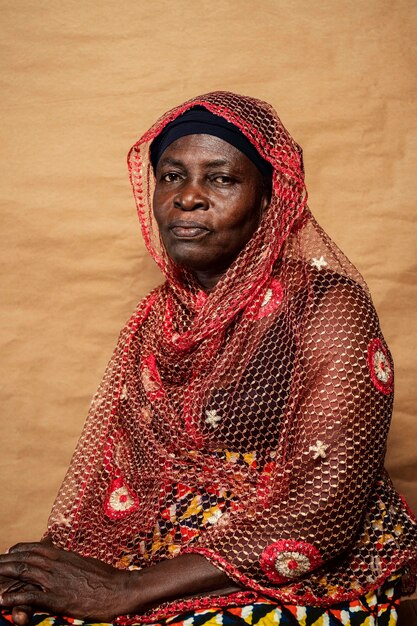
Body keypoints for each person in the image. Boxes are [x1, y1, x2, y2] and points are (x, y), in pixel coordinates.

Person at [0, 91, 416, 626]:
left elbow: (324, 511)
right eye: (172, 176)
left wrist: (129, 588)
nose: (189, 197)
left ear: (271, 201)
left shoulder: (328, 306)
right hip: (177, 542)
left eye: (221, 179)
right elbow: (129, 478)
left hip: (307, 561)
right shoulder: (161, 318)